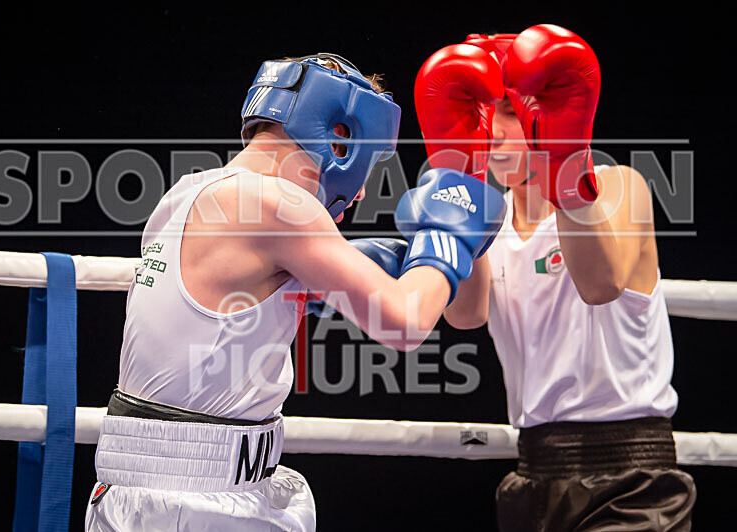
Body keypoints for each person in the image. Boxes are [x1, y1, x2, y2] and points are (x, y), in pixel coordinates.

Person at [85, 52, 504, 531]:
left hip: (176, 492)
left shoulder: (188, 192)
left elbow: (465, 313)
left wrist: (464, 180)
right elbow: (405, 322)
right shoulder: (280, 205)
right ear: (340, 137)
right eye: (372, 165)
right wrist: (447, 238)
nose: (363, 193)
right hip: (193, 502)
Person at [416, 24, 696, 531]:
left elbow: (600, 285)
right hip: (532, 474)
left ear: (544, 109)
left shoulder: (618, 188)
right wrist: (464, 182)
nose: (494, 129)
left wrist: (562, 163)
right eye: (480, 112)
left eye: (508, 110)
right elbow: (464, 313)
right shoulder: (491, 219)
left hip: (630, 477)